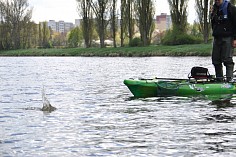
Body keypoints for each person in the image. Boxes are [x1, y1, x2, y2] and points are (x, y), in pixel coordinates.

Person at [211, 0, 236, 82]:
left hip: (228, 37)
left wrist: (235, 39)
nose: (217, 1)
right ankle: (219, 81)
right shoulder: (214, 9)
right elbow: (213, 23)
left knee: (227, 60)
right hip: (217, 38)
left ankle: (229, 81)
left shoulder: (231, 8)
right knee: (216, 60)